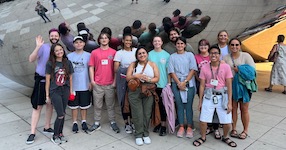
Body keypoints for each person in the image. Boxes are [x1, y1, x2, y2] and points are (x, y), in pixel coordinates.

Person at [193, 45, 237, 147]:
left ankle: (225, 136)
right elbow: (202, 85)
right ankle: (203, 137)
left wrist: (230, 102)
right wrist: (200, 102)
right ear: (209, 54)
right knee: (203, 120)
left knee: (227, 123)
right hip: (209, 96)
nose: (213, 55)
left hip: (223, 96)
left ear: (220, 55)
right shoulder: (205, 67)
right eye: (211, 53)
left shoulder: (225, 67)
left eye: (216, 53)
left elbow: (229, 85)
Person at [26, 28, 60, 145]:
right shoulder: (43, 47)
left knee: (50, 104)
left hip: (53, 81)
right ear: (49, 36)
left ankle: (47, 126)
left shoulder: (59, 49)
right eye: (52, 36)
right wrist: (37, 46)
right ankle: (32, 132)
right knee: (38, 106)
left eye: (56, 35)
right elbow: (31, 59)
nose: (54, 37)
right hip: (41, 81)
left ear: (59, 37)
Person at [126, 46, 159, 146]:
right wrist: (137, 76)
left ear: (147, 54)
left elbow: (157, 78)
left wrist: (148, 79)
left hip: (148, 91)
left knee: (146, 113)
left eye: (144, 53)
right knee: (137, 114)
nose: (142, 55)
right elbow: (128, 78)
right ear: (137, 56)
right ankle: (138, 135)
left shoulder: (152, 64)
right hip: (135, 91)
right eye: (139, 53)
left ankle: (145, 133)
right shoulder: (133, 64)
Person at [223, 38, 256, 140]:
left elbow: (252, 72)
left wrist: (240, 70)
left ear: (240, 46)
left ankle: (245, 130)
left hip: (244, 87)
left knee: (244, 109)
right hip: (231, 87)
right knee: (233, 109)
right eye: (232, 45)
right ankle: (233, 129)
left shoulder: (246, 56)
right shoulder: (226, 57)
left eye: (236, 45)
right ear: (229, 46)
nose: (234, 47)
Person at [89, 32, 120, 133]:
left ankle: (112, 122)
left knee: (110, 105)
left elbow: (116, 69)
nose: (104, 40)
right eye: (102, 38)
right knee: (97, 105)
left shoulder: (114, 52)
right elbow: (91, 67)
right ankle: (97, 122)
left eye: (106, 38)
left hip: (110, 84)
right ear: (99, 40)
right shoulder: (94, 52)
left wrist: (115, 81)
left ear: (109, 40)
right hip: (98, 84)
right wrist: (92, 81)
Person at [168, 37, 197, 138]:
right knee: (179, 105)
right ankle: (181, 126)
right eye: (178, 44)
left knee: (188, 105)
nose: (180, 45)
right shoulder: (172, 57)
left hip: (189, 82)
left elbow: (193, 69)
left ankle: (189, 126)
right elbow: (171, 71)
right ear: (175, 45)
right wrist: (179, 83)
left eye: (181, 43)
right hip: (176, 82)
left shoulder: (190, 55)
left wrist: (185, 82)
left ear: (185, 45)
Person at [45, 43, 74, 144]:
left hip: (65, 90)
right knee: (60, 114)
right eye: (56, 50)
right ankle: (55, 135)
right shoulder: (50, 64)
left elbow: (70, 77)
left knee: (63, 113)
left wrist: (71, 90)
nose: (59, 52)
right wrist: (47, 95)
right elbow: (48, 80)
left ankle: (60, 133)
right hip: (55, 91)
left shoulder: (67, 62)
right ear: (53, 53)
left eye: (60, 50)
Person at [67, 36, 92, 133]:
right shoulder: (69, 56)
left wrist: (90, 81)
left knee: (84, 105)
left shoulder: (89, 55)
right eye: (76, 42)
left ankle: (84, 121)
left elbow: (91, 69)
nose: (79, 44)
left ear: (84, 44)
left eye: (80, 42)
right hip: (74, 85)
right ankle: (74, 122)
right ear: (73, 44)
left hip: (85, 84)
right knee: (74, 105)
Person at [114, 33, 137, 134]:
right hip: (122, 80)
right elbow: (116, 68)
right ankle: (126, 123)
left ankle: (132, 122)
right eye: (126, 40)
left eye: (130, 41)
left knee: (133, 101)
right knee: (123, 101)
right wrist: (128, 69)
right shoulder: (119, 53)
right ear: (123, 41)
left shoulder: (136, 51)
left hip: (134, 79)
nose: (128, 42)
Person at [148, 36, 170, 136]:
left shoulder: (166, 55)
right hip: (152, 84)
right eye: (155, 41)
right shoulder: (149, 54)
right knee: (153, 105)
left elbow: (168, 71)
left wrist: (168, 84)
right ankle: (156, 123)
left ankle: (163, 125)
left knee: (162, 106)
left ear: (162, 42)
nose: (157, 42)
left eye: (159, 41)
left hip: (163, 84)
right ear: (153, 43)